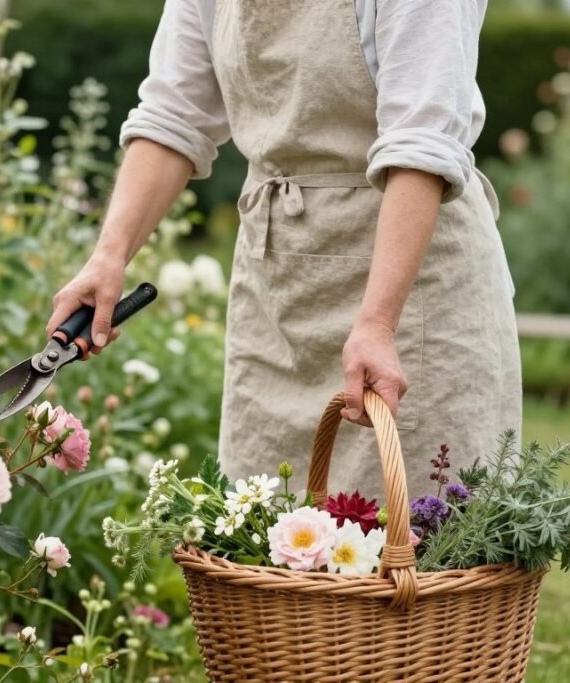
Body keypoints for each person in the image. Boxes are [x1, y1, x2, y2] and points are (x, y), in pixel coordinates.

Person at [46, 0, 521, 496]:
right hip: (277, 290)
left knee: (414, 542)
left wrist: (379, 324)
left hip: (411, 294)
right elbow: (173, 116)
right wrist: (109, 256)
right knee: (261, 536)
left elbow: (421, 144)